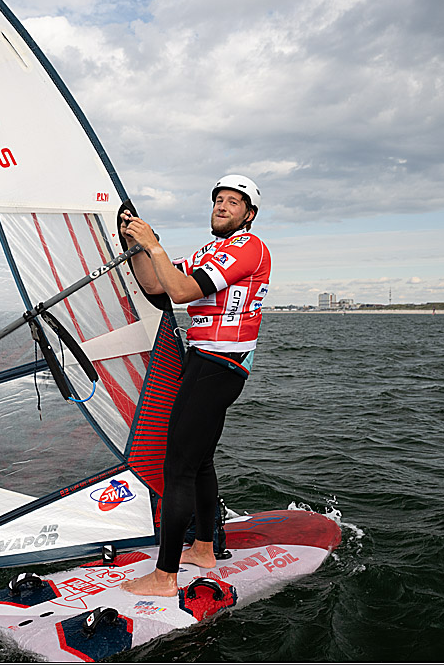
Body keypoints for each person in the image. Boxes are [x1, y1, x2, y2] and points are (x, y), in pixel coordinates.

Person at [119, 174, 271, 597]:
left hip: (221, 365)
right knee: (200, 462)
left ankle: (165, 576)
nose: (222, 206)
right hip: (201, 360)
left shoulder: (249, 247)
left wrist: (155, 245)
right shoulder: (211, 250)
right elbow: (156, 285)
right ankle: (204, 548)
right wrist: (134, 245)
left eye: (233, 202)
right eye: (218, 200)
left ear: (249, 215)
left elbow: (183, 290)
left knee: (178, 466)